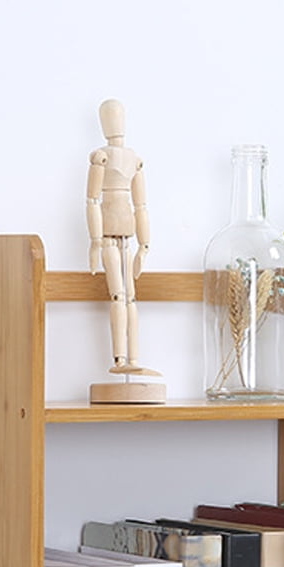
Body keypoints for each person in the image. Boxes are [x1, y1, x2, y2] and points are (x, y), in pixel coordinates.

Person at [85, 100, 164, 402]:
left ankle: (134, 357)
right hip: (106, 234)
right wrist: (94, 241)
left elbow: (142, 206)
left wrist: (145, 244)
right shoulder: (100, 158)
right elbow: (91, 200)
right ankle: (119, 358)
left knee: (131, 297)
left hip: (128, 234)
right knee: (118, 295)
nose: (115, 124)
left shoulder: (134, 159)